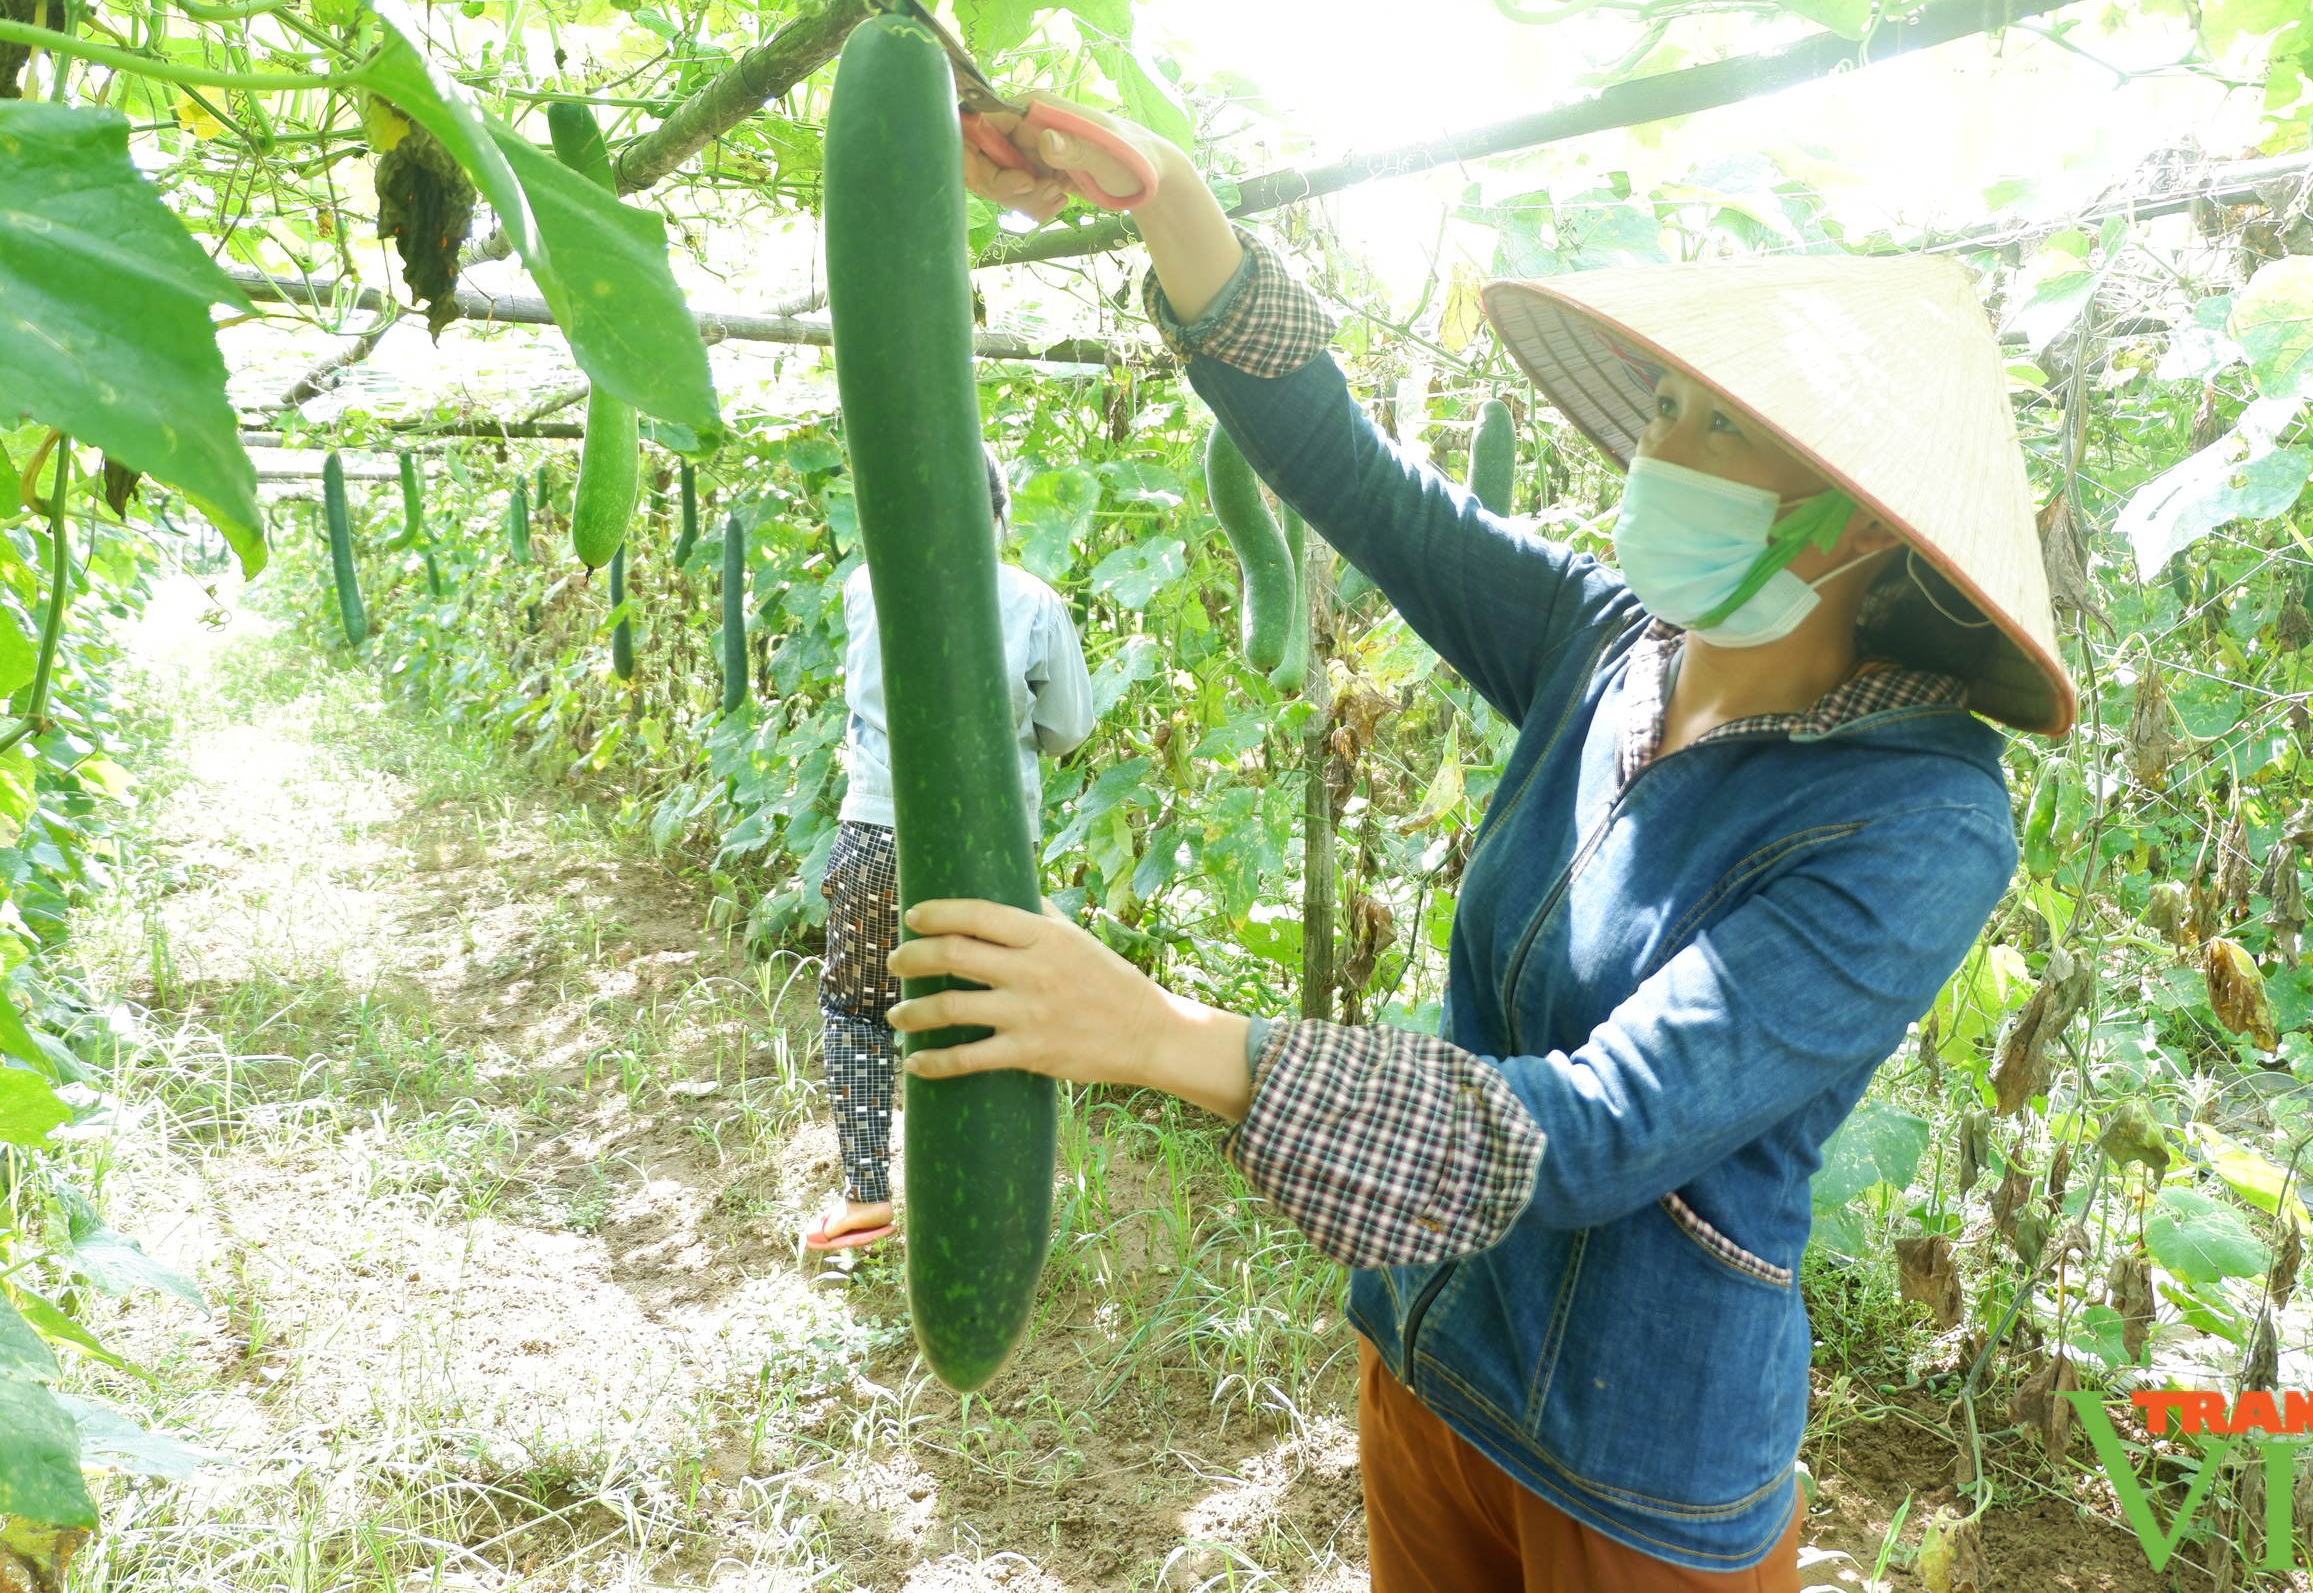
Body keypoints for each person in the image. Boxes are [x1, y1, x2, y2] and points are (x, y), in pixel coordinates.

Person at [888, 103, 2074, 1590]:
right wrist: (1164, 199)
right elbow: (1356, 476)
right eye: (1667, 407)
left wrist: (1166, 1032)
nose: (1665, 441)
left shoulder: (1921, 817)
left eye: (1723, 427)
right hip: (1435, 1368)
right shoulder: (1604, 645)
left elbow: (1602, 1125)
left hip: (1638, 1472)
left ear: (1855, 524)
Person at [802, 449, 1095, 1254]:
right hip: (988, 848)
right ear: (999, 514)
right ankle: (991, 1207)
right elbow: (1069, 727)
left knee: (859, 1007)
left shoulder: (867, 585)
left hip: (876, 831)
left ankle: (867, 1196)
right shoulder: (1033, 601)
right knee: (993, 1012)